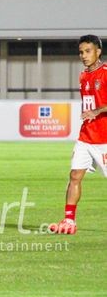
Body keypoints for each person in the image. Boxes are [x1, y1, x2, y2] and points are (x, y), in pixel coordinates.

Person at [49, 35, 107, 234]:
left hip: (104, 139)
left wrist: (97, 111)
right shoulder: (83, 76)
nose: (83, 55)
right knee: (75, 175)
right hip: (86, 137)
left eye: (88, 51)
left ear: (98, 51)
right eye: (81, 52)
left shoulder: (106, 73)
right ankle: (69, 220)